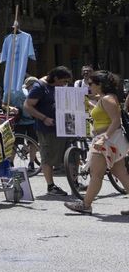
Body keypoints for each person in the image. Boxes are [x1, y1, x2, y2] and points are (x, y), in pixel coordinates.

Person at [65, 71, 129, 215]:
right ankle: (86, 204)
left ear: (100, 84)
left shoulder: (108, 99)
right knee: (121, 174)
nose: (89, 86)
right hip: (109, 141)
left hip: (106, 142)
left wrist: (104, 137)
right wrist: (88, 104)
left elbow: (116, 121)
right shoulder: (105, 98)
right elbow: (104, 115)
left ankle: (85, 204)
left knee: (96, 174)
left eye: (91, 84)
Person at [23, 66, 73, 197]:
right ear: (55, 78)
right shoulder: (39, 87)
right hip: (47, 129)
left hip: (64, 127)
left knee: (72, 154)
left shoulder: (58, 86)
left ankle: (75, 183)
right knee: (48, 157)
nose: (64, 84)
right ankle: (51, 186)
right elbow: (27, 105)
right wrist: (44, 118)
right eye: (63, 81)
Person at [7, 77, 40, 172]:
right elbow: (4, 104)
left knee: (32, 143)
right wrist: (12, 108)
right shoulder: (16, 91)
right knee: (16, 142)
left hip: (32, 120)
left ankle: (31, 163)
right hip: (20, 120)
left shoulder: (36, 93)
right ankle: (11, 162)